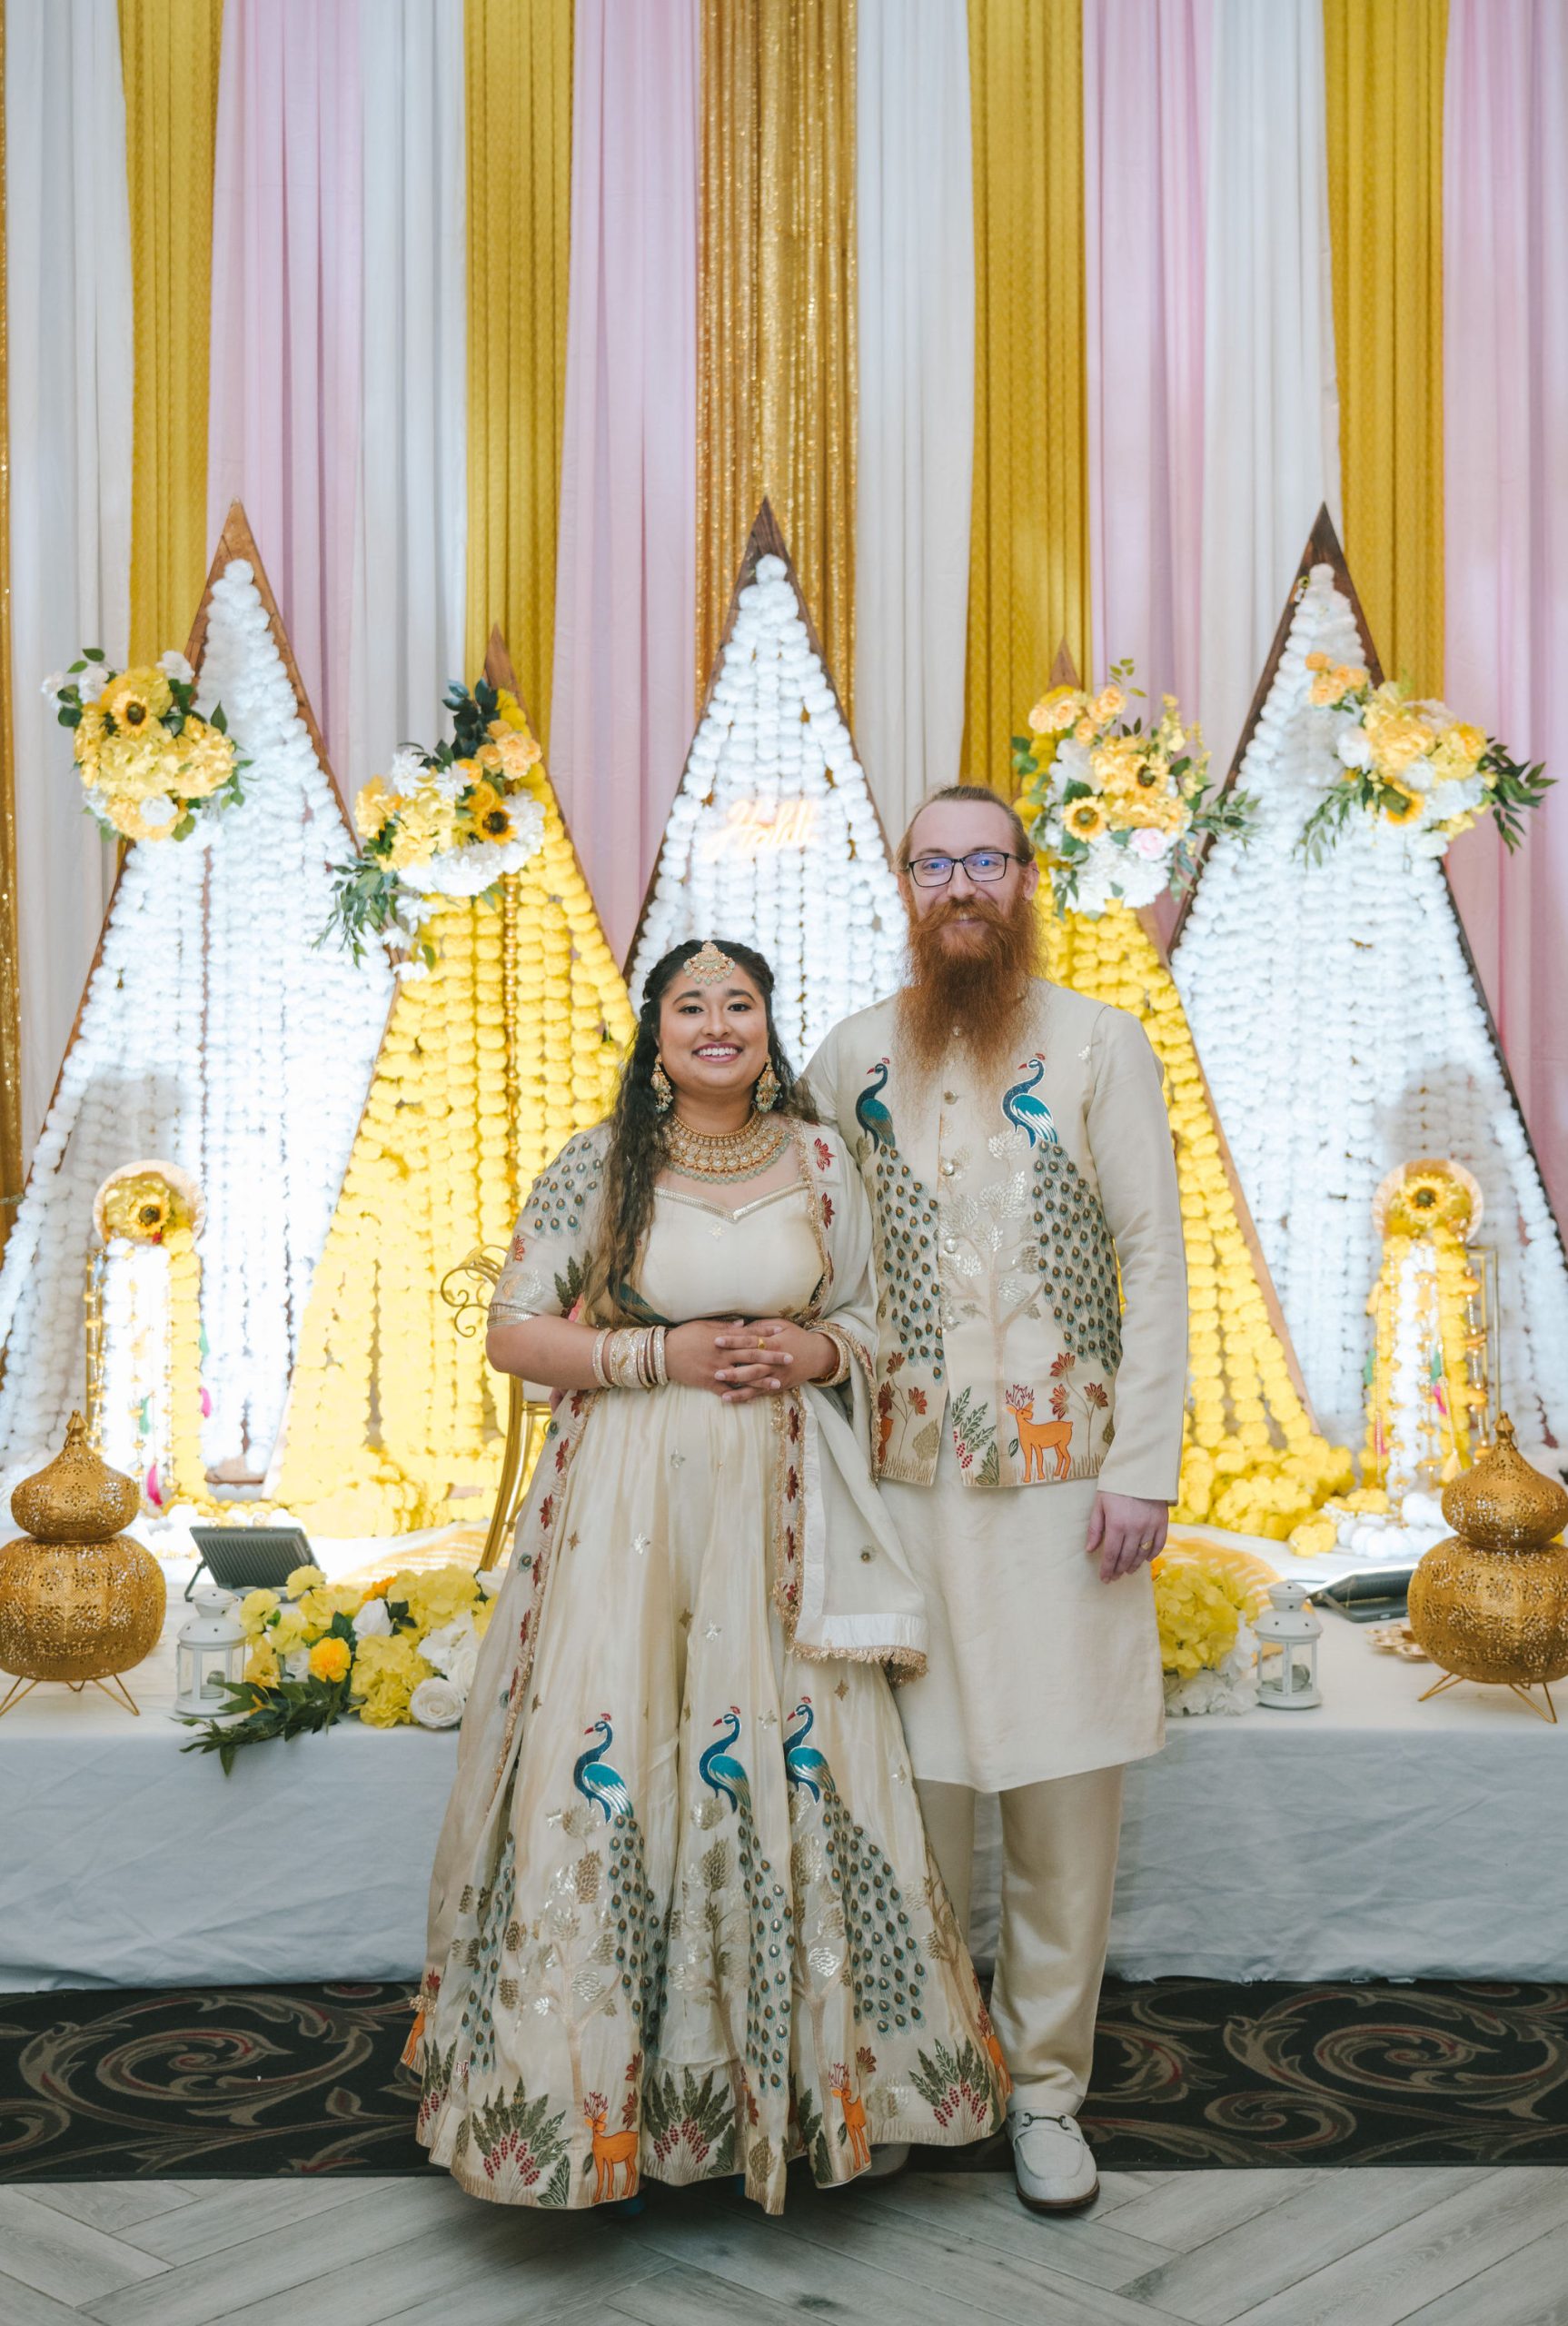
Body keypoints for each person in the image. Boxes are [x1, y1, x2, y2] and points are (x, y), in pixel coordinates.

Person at [406, 938, 1008, 2216]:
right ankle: (592, 2100)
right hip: (628, 1500)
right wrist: (655, 1358)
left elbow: (879, 1320)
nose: (718, 1023)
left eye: (740, 1003)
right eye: (692, 1005)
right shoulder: (601, 1162)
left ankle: (826, 2090)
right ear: (657, 1032)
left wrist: (811, 1352)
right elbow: (515, 1332)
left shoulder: (826, 1162)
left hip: (781, 1501)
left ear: (768, 1027)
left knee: (799, 1749)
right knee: (618, 1737)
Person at [805, 786, 1187, 2214]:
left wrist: (1141, 1467)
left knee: (1060, 1800)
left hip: (1065, 1494)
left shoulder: (1098, 1044)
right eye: (934, 863)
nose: (960, 885)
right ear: (903, 885)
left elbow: (1154, 1256)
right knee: (908, 1800)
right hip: (897, 1490)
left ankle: (1041, 2094)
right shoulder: (849, 1054)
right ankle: (920, 2079)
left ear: (1026, 879)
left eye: (984, 860)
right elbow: (813, 1256)